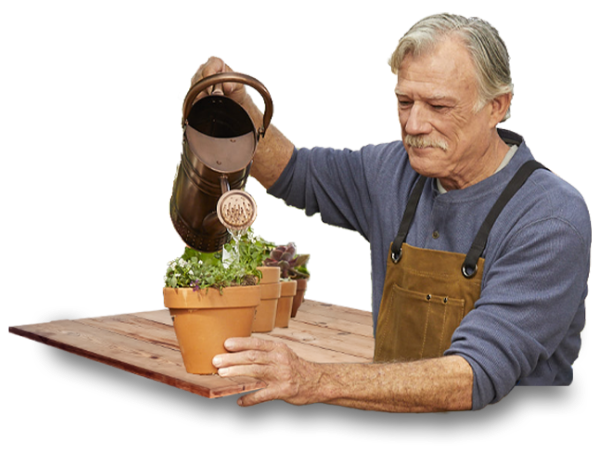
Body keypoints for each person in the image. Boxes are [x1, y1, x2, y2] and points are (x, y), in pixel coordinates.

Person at [189, 13, 590, 412]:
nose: (414, 124)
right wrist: (238, 108)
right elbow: (295, 173)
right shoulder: (393, 169)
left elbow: (473, 376)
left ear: (496, 107)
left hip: (496, 428)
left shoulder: (548, 217)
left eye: (438, 106)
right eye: (404, 102)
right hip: (394, 423)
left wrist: (315, 380)